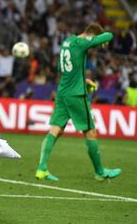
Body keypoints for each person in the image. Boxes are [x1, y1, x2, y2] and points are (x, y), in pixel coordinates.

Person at [35, 23, 121, 181]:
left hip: (63, 92)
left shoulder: (67, 42)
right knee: (90, 131)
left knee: (56, 130)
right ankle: (100, 172)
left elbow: (64, 70)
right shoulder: (82, 43)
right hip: (76, 95)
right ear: (90, 37)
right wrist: (99, 39)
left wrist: (83, 80)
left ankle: (42, 169)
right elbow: (109, 35)